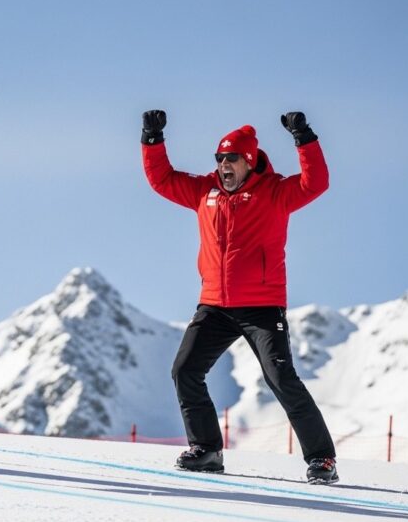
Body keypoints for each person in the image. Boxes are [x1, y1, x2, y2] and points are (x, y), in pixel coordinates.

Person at [141, 109, 338, 484]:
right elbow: (162, 180)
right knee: (185, 371)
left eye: (231, 159)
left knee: (281, 378)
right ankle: (207, 450)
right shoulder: (205, 191)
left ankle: (322, 459)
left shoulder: (276, 192)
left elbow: (316, 183)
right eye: (219, 158)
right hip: (214, 305)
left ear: (249, 162)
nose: (224, 165)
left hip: (262, 306)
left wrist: (304, 139)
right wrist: (152, 140)